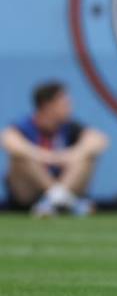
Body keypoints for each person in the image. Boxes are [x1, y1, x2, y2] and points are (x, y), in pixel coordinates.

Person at [1, 81, 108, 217]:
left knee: (87, 157)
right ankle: (62, 200)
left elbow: (99, 140)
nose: (70, 108)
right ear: (47, 106)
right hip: (28, 193)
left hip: (65, 183)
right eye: (64, 104)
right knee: (20, 157)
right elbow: (8, 140)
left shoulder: (70, 127)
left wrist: (68, 155)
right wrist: (47, 156)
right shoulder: (25, 126)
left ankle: (53, 201)